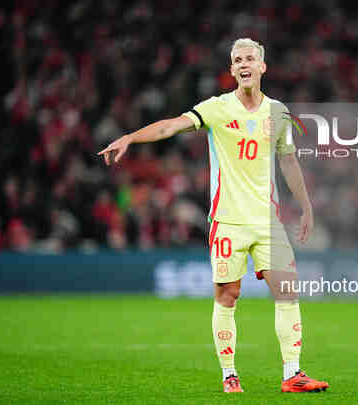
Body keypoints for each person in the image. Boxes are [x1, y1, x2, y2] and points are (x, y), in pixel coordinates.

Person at [99, 38, 329, 393]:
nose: (244, 64)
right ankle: (229, 374)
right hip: (228, 221)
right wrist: (130, 137)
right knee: (228, 295)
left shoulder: (278, 112)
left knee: (287, 292)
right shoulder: (217, 108)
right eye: (237, 60)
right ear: (232, 70)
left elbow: (288, 161)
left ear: (263, 67)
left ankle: (293, 374)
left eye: (250, 58)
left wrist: (307, 206)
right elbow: (171, 126)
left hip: (269, 221)